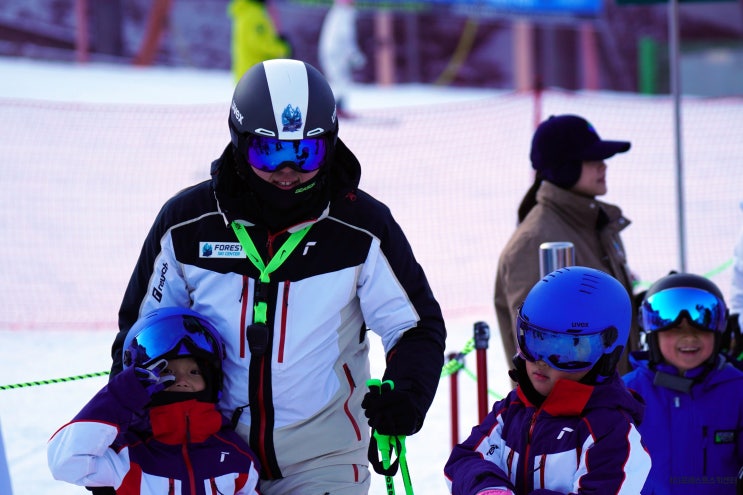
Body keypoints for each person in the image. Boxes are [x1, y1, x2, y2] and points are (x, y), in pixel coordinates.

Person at [109, 59, 446, 495]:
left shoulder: (362, 228)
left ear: (330, 145)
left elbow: (415, 327)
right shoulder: (187, 224)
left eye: (307, 152)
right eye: (268, 152)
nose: (287, 170)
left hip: (324, 458)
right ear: (239, 142)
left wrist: (407, 394)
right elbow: (139, 336)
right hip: (207, 453)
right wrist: (123, 432)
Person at [445, 266, 651, 494]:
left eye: (564, 350)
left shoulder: (610, 432)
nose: (541, 361)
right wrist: (488, 488)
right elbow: (463, 461)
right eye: (534, 341)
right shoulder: (512, 410)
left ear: (607, 352)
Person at [48, 307, 262, 494]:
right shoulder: (127, 454)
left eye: (194, 372)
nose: (182, 380)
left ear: (212, 380)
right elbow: (64, 462)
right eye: (167, 371)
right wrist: (123, 393)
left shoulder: (237, 455)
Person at [494, 114, 638, 377]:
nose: (603, 166)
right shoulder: (534, 242)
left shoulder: (597, 223)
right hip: (577, 402)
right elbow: (535, 351)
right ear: (564, 167)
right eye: (592, 159)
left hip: (612, 395)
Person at [623, 272, 743, 495]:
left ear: (718, 333)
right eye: (675, 329)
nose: (689, 337)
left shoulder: (736, 390)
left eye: (700, 328)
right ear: (653, 335)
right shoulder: (627, 393)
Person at [318, 0, 366, 118]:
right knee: (340, 82)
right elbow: (345, 36)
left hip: (333, 52)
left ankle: (338, 108)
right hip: (336, 53)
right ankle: (336, 110)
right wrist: (353, 54)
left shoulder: (337, 12)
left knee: (339, 81)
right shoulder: (344, 13)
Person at [228, 0, 291, 83]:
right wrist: (283, 48)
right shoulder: (254, 15)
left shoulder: (245, 12)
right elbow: (261, 44)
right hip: (257, 76)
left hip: (246, 73)